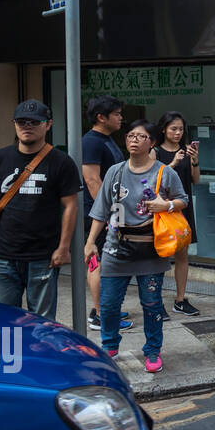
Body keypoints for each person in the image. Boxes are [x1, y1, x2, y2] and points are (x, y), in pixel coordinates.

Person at [84, 119, 188, 374]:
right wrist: (90, 242)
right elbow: (100, 210)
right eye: (130, 135)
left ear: (151, 143)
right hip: (116, 247)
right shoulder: (115, 172)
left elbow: (183, 199)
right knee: (108, 305)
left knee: (152, 305)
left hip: (151, 249)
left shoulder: (165, 172)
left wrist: (167, 206)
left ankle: (152, 351)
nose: (133, 140)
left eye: (140, 136)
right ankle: (109, 347)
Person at [0, 100, 82, 321]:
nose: (27, 126)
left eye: (35, 122)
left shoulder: (61, 162)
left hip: (43, 257)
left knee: (42, 325)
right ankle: (7, 357)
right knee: (1, 322)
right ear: (14, 124)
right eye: (21, 122)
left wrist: (64, 248)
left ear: (48, 125)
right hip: (0, 257)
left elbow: (70, 206)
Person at [82, 96, 131, 332]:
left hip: (111, 213)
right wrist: (109, 212)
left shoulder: (106, 139)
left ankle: (105, 308)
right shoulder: (91, 142)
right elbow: (92, 180)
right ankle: (99, 314)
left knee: (108, 262)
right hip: (99, 216)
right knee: (97, 263)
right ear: (102, 117)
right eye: (117, 114)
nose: (121, 117)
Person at [153, 111, 201, 318]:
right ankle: (155, 302)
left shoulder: (186, 151)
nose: (178, 132)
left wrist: (194, 160)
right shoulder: (155, 152)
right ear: (163, 129)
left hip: (182, 209)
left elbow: (195, 180)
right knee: (158, 257)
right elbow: (153, 181)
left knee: (182, 255)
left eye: (181, 129)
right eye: (173, 128)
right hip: (162, 211)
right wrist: (172, 163)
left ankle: (180, 300)